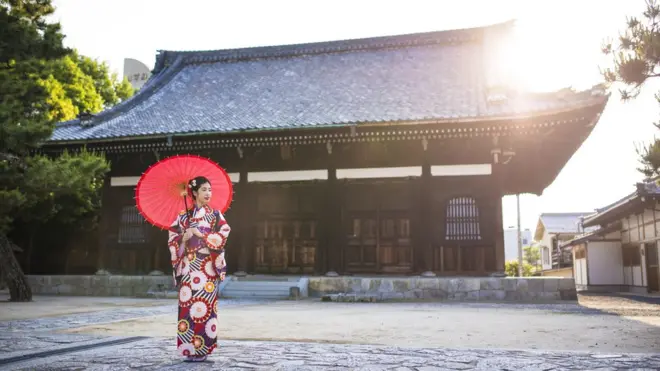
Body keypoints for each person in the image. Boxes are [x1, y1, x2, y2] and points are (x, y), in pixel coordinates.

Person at [167, 176, 230, 362]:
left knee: (204, 307)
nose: (208, 193)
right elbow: (172, 240)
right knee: (187, 308)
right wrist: (183, 239)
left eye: (210, 189)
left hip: (207, 267)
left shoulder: (216, 215)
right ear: (193, 193)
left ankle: (202, 349)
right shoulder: (182, 217)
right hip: (188, 266)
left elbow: (223, 234)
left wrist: (200, 234)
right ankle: (188, 349)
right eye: (204, 190)